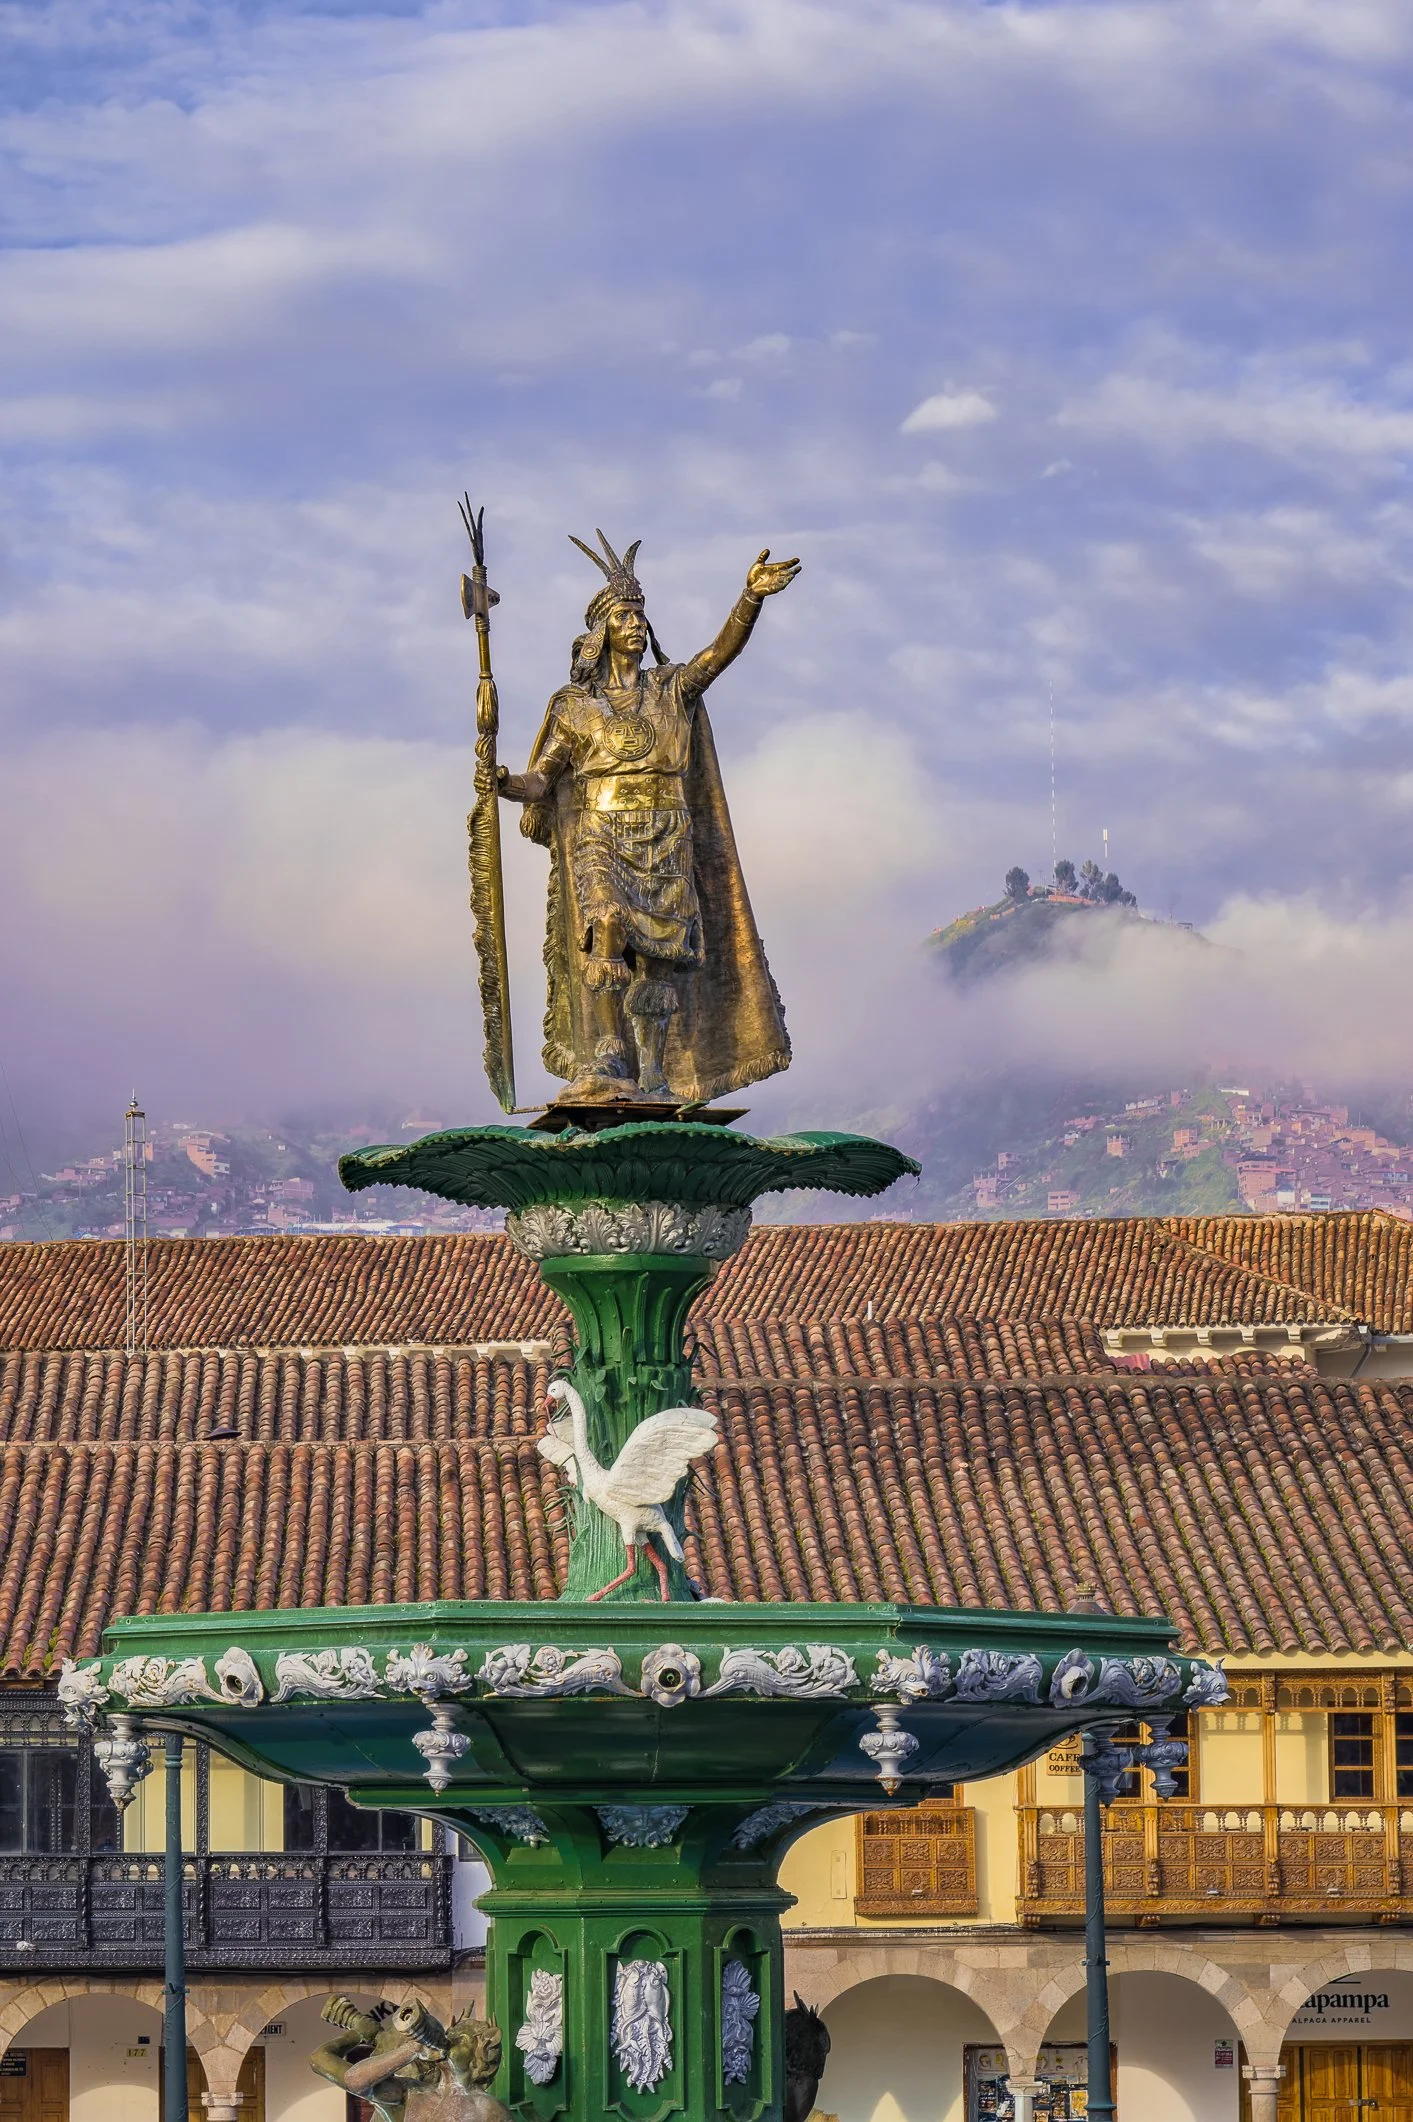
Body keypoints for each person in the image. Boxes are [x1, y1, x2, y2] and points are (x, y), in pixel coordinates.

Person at [497, 531, 797, 1104]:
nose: (636, 624)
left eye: (641, 615)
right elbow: (541, 780)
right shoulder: (573, 706)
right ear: (602, 631)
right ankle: (608, 1054)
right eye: (624, 616)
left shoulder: (669, 688)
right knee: (605, 922)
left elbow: (717, 656)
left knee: (659, 959)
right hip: (598, 832)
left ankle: (654, 1073)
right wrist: (502, 780)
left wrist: (749, 598)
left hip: (666, 832)